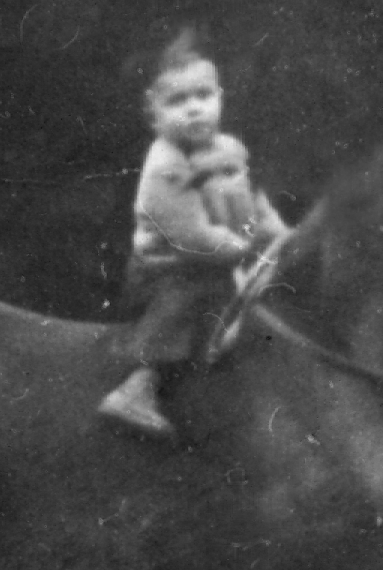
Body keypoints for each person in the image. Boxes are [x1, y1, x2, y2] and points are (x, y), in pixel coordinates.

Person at [99, 30, 288, 435]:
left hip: (219, 259)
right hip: (167, 270)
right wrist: (242, 249)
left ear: (219, 98)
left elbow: (249, 200)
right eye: (176, 101)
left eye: (202, 96)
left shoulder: (227, 149)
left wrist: (275, 232)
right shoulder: (164, 165)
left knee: (252, 299)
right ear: (153, 114)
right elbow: (194, 236)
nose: (193, 110)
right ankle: (139, 385)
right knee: (189, 298)